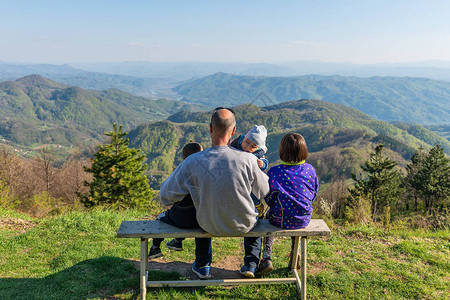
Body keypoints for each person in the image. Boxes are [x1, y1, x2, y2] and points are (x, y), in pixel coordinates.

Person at [158, 107, 270, 279]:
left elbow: (165, 196)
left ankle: (203, 266)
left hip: (208, 223)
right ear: (233, 131)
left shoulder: (193, 162)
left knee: (203, 208)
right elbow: (265, 192)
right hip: (245, 223)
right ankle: (251, 264)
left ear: (210, 128)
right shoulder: (249, 160)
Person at [257, 133, 319, 275]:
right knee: (294, 211)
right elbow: (314, 193)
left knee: (268, 215)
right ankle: (294, 253)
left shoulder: (274, 172)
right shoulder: (310, 170)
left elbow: (269, 198)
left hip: (280, 218)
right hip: (303, 218)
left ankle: (266, 256)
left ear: (282, 151)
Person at [148, 142, 203, 259]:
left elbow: (165, 193)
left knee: (161, 217)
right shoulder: (206, 172)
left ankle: (155, 248)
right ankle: (177, 241)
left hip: (182, 220)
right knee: (189, 211)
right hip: (202, 220)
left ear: (184, 159)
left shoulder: (181, 172)